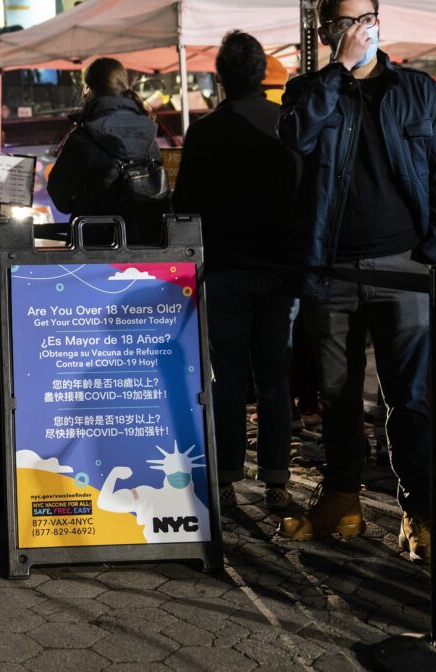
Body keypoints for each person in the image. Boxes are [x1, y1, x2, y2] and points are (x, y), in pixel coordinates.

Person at [276, 0, 436, 563]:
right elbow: (296, 137)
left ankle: (419, 511)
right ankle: (342, 501)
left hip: (404, 264)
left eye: (368, 19)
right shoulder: (307, 90)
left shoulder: (416, 89)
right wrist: (339, 70)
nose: (361, 30)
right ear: (326, 32)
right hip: (330, 268)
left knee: (410, 398)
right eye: (347, 23)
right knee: (337, 396)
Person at [172, 30, 301, 511]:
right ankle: (277, 478)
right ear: (263, 75)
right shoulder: (287, 124)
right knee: (274, 376)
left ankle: (226, 475)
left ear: (220, 78)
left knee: (226, 376)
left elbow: (185, 205)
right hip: (279, 266)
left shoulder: (206, 132)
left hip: (225, 266)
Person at [46, 57, 163, 245]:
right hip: (144, 243)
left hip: (93, 247)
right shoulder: (148, 131)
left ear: (88, 89)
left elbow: (60, 196)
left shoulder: (83, 137)